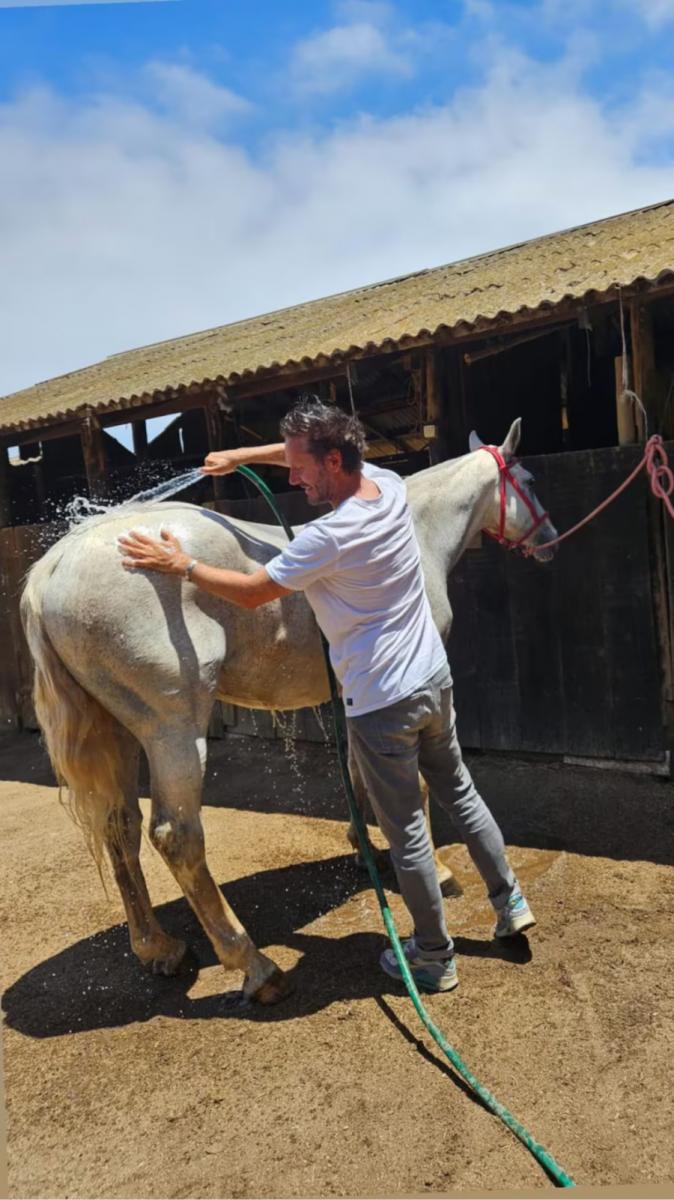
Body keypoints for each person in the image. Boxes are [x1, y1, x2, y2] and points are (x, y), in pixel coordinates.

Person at [119, 396, 535, 994]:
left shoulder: (327, 537)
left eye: (301, 469)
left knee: (408, 835)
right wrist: (243, 455)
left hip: (382, 704)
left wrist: (181, 563)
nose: (292, 478)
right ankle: (509, 900)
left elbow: (251, 591)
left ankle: (434, 956)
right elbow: (322, 444)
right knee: (461, 792)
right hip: (431, 684)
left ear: (334, 461)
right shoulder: (388, 486)